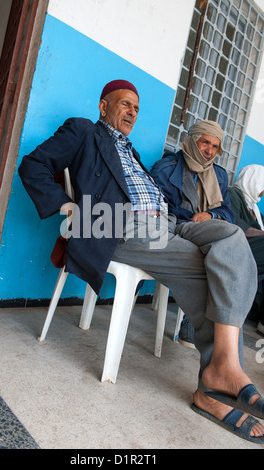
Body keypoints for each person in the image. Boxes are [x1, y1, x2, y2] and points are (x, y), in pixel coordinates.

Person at [19, 80, 264, 442]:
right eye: (124, 104)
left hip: (170, 224)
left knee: (231, 238)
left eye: (136, 107)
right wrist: (68, 206)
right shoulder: (84, 130)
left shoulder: (130, 150)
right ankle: (214, 387)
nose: (132, 112)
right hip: (120, 225)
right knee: (211, 269)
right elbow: (33, 164)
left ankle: (220, 370)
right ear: (103, 106)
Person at [150, 120, 235, 349]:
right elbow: (158, 207)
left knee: (222, 250)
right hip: (175, 228)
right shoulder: (166, 168)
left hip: (203, 229)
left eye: (215, 146)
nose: (209, 151)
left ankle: (196, 327)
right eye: (205, 142)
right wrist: (191, 217)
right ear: (192, 140)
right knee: (210, 252)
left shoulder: (219, 176)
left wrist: (210, 216)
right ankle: (194, 327)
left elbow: (227, 211)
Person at [228, 164, 264, 336]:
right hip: (240, 246)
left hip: (254, 249)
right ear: (254, 180)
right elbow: (237, 226)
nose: (263, 193)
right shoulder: (233, 194)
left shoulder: (255, 208)